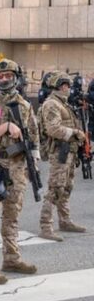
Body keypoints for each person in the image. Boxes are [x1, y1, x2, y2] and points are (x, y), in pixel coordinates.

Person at [0, 59, 39, 284]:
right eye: (0, 76)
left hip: (18, 168)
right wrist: (5, 128)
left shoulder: (24, 105)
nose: (4, 79)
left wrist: (34, 164)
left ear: (15, 77)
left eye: (8, 75)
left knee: (12, 217)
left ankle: (11, 258)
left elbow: (33, 135)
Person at [38, 72, 86, 242]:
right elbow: (53, 129)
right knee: (55, 188)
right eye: (65, 85)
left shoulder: (63, 104)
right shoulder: (52, 104)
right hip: (60, 151)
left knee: (66, 187)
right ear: (58, 86)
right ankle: (46, 225)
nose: (68, 88)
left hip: (69, 151)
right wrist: (75, 132)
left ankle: (64, 221)